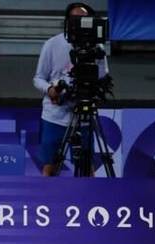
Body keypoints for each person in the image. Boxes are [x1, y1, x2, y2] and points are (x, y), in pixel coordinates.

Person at [33, 3, 109, 176]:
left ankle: (90, 195)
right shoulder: (52, 44)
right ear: (67, 22)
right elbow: (38, 78)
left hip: (84, 115)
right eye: (75, 19)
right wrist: (50, 89)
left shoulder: (97, 48)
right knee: (50, 167)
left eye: (84, 19)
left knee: (87, 167)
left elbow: (103, 76)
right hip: (55, 116)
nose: (80, 23)